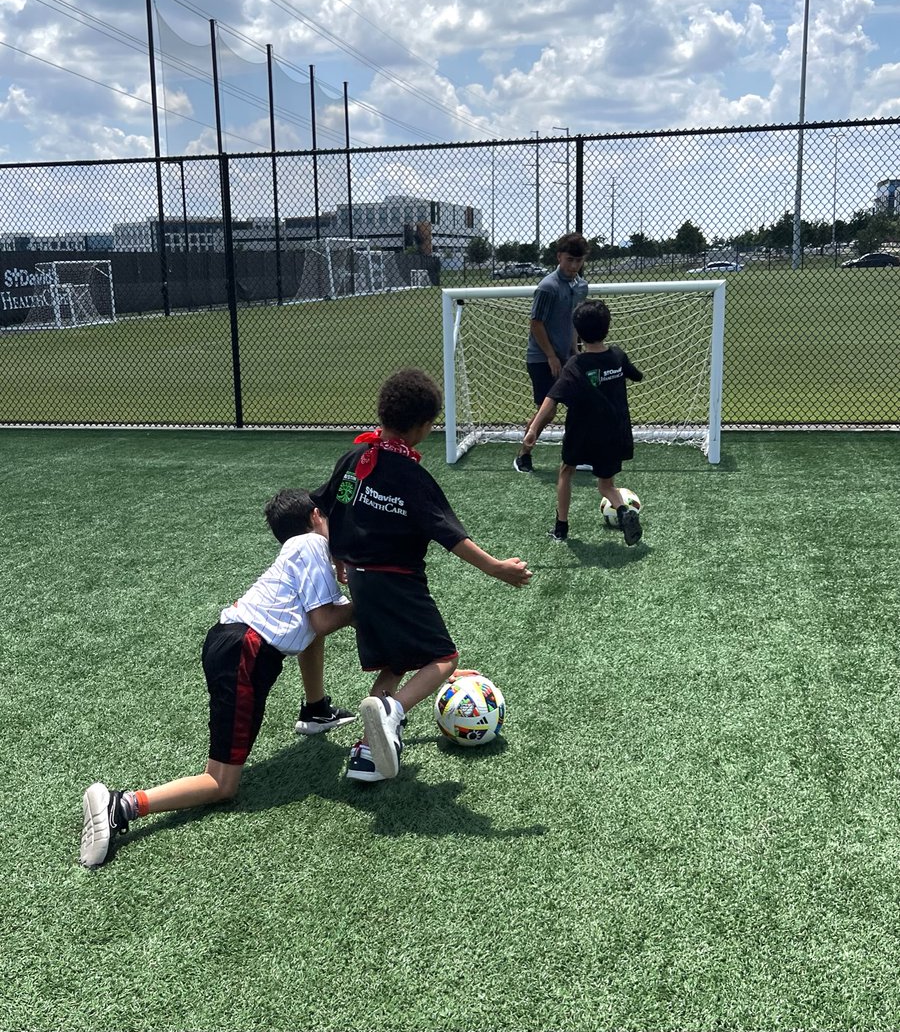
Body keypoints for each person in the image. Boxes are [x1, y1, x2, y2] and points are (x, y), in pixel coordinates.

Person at [79, 488, 356, 868]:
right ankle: (123, 804)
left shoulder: (303, 552)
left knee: (312, 633)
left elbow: (317, 626)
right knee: (222, 784)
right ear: (314, 517)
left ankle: (316, 709)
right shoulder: (309, 544)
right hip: (245, 651)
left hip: (234, 644)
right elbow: (325, 619)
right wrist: (374, 601)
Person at [312, 368, 532, 784]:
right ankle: (394, 711)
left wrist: (337, 555)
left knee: (396, 662)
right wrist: (498, 568)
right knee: (443, 658)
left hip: (360, 578)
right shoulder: (412, 478)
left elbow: (332, 505)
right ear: (422, 427)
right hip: (395, 581)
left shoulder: (355, 460)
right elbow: (451, 537)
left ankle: (367, 755)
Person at [522, 298, 644, 546]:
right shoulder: (618, 356)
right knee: (606, 486)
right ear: (607, 327)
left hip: (583, 433)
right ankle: (623, 511)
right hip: (614, 432)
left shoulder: (576, 365)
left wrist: (534, 429)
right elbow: (637, 376)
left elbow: (552, 398)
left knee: (566, 472)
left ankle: (561, 528)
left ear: (577, 331)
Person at [514, 232, 590, 473]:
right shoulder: (547, 287)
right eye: (569, 260)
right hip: (541, 359)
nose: (574, 266)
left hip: (567, 358)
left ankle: (578, 455)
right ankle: (523, 456)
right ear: (559, 257)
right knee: (547, 413)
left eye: (579, 261)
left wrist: (575, 351)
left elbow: (573, 321)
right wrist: (551, 356)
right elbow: (536, 324)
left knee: (582, 405)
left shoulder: (581, 286)